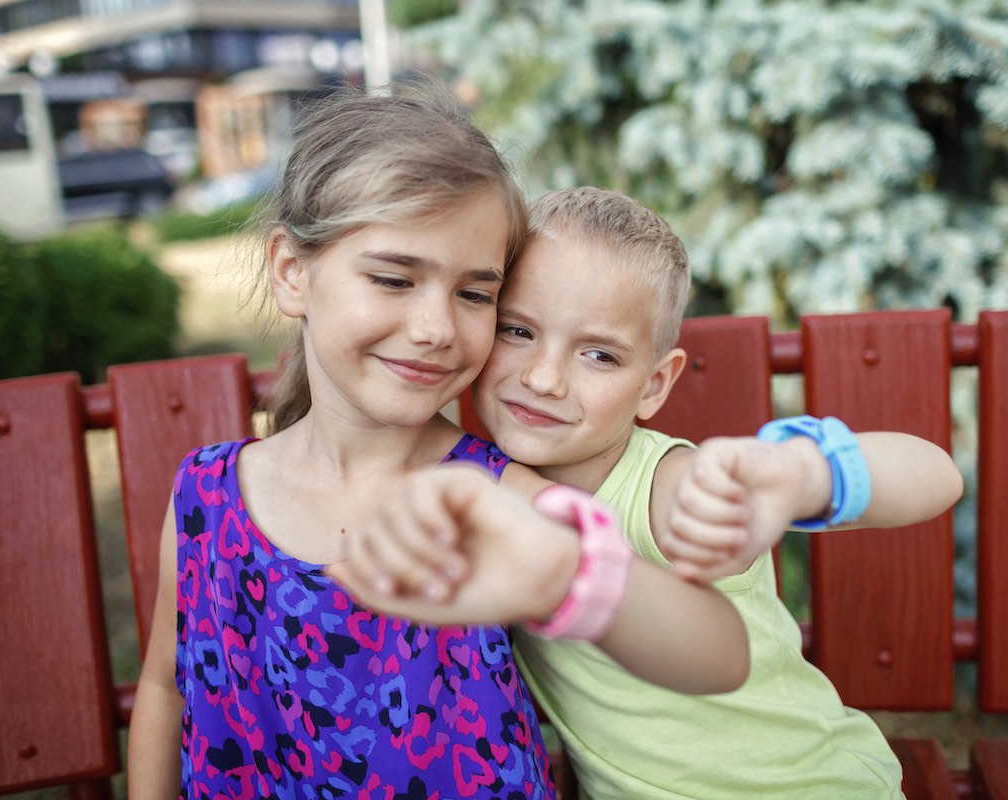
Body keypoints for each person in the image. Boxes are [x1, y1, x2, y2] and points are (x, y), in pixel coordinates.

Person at [126, 88, 751, 800]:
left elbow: (718, 653)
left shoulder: (497, 501)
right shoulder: (206, 498)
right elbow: (164, 684)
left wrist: (573, 577)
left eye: (476, 294)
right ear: (293, 271)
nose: (435, 327)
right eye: (394, 279)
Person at [340, 187, 964, 799]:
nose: (544, 378)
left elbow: (936, 475)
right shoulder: (484, 481)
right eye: (518, 332)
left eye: (600, 356)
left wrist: (803, 474)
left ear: (654, 385)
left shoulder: (664, 488)